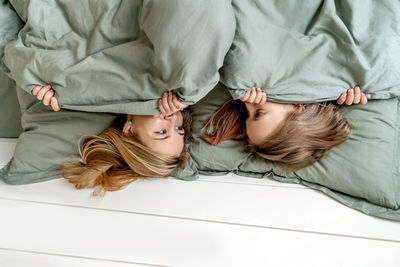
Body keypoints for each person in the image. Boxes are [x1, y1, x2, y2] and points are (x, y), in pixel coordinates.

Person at [31, 85, 190, 195]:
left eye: (162, 131)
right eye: (179, 128)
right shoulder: (183, 91)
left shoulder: (89, 98)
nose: (173, 118)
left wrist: (49, 89)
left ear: (129, 130)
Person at [203, 86, 368, 172]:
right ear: (296, 107)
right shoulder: (337, 92)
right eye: (258, 113)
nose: (246, 103)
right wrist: (350, 90)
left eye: (248, 114)